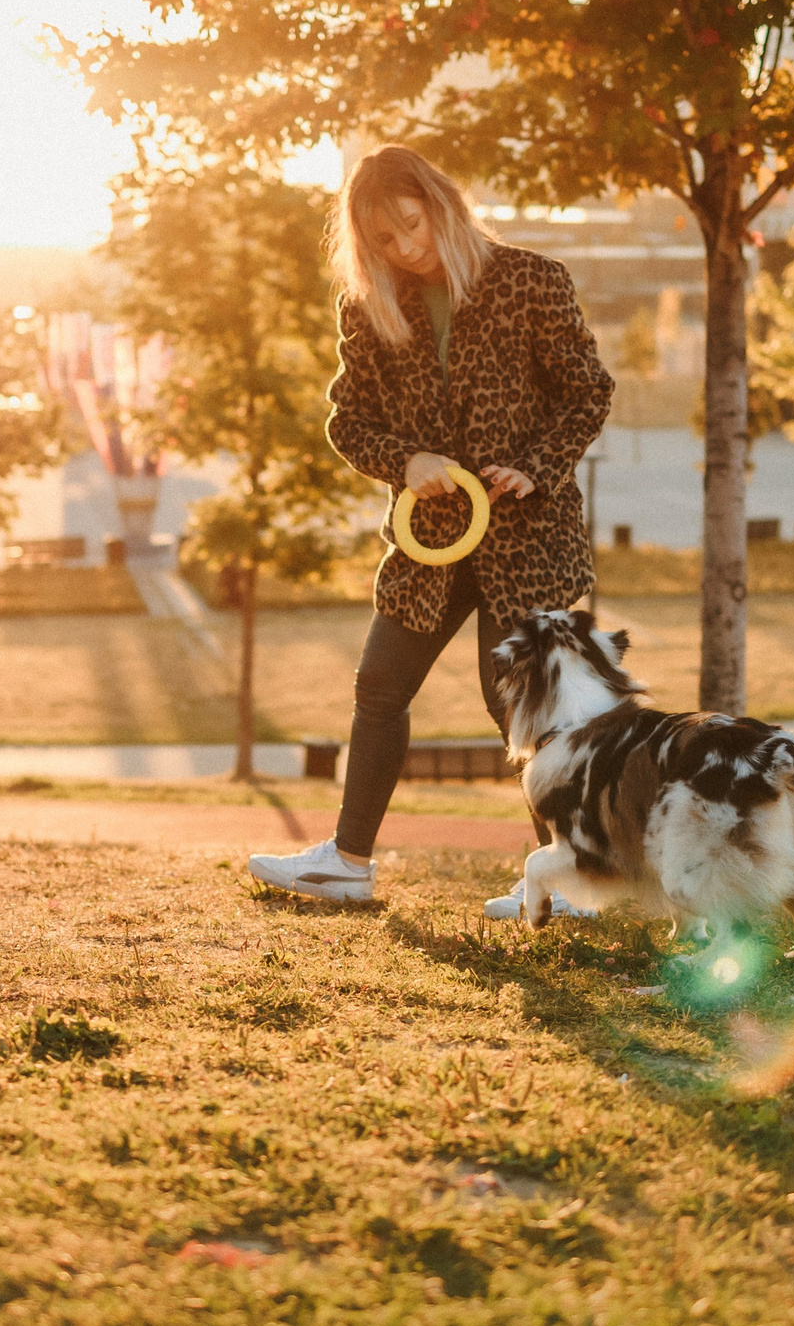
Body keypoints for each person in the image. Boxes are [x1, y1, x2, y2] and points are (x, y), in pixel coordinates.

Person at [248, 145, 614, 912]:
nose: (404, 246)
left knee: (515, 703)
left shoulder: (532, 280)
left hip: (527, 539)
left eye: (411, 224)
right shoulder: (370, 307)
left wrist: (536, 466)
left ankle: (570, 879)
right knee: (379, 684)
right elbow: (348, 422)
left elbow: (587, 392)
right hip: (431, 543)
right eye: (383, 238)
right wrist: (405, 460)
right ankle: (348, 861)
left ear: (440, 204)